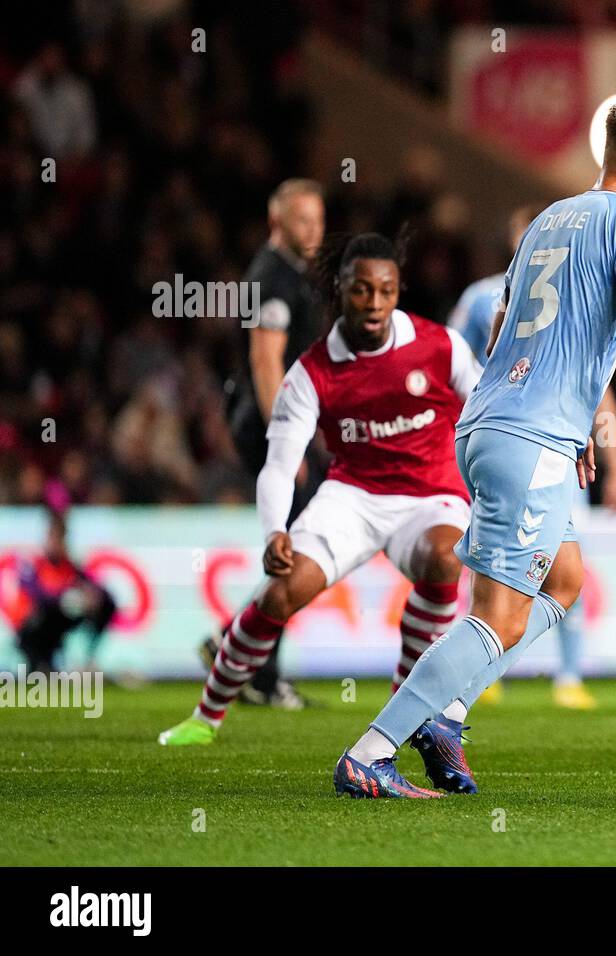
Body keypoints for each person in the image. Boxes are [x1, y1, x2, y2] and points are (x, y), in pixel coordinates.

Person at [334, 93, 616, 799]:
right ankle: (372, 750)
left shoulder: (547, 219)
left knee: (564, 580)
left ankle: (446, 715)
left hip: (496, 424)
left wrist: (565, 421)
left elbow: (503, 327)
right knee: (498, 615)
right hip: (532, 437)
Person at [158, 232, 481, 771]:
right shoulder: (311, 372)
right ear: (339, 289)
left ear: (398, 290)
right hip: (352, 495)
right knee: (281, 594)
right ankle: (205, 717)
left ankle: (408, 714)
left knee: (446, 560)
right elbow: (280, 463)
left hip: (431, 495)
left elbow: (488, 411)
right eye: (361, 291)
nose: (374, 303)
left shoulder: (442, 346)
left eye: (386, 290)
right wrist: (273, 532)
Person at [448, 204, 616, 713]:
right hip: (517, 437)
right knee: (497, 564)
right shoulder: (484, 297)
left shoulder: (579, 291)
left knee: (567, 568)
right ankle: (471, 678)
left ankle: (566, 674)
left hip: (548, 441)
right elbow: (451, 359)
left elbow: (599, 387)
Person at [200, 179, 327, 710]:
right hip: (271, 425)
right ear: (278, 223)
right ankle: (255, 667)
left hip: (282, 423)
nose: (314, 230)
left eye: (319, 220)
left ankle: (241, 652)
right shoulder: (273, 280)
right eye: (303, 221)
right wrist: (287, 444)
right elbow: (265, 361)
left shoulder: (289, 275)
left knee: (296, 544)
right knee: (293, 546)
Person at [15, 507, 116, 673]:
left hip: (58, 622)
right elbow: (36, 594)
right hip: (32, 627)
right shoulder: (33, 565)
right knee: (51, 610)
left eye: (60, 538)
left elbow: (93, 587)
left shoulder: (69, 567)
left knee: (106, 603)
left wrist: (93, 596)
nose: (57, 543)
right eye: (53, 537)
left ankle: (88, 659)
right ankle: (39, 662)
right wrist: (64, 596)